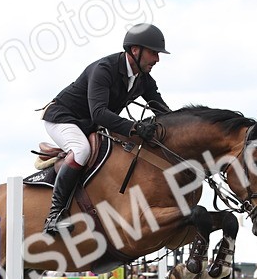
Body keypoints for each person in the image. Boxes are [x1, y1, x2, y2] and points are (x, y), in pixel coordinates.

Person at [38, 23, 172, 234]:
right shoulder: (104, 69)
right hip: (63, 118)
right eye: (153, 53)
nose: (157, 59)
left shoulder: (143, 79)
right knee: (82, 150)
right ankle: (54, 216)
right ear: (135, 50)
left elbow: (162, 110)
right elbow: (98, 113)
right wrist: (135, 127)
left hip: (91, 124)